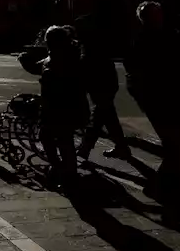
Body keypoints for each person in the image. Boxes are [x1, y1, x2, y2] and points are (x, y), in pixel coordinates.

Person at [124, 1, 180, 197]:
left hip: (162, 99)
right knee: (173, 140)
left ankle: (171, 181)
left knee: (171, 141)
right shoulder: (172, 37)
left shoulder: (144, 40)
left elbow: (132, 72)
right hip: (172, 98)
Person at [20, 25, 90, 188]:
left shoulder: (65, 59)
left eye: (48, 40)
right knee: (54, 139)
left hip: (63, 109)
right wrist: (25, 59)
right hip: (58, 108)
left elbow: (66, 83)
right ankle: (62, 169)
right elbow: (37, 67)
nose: (47, 43)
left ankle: (68, 174)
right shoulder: (59, 56)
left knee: (62, 141)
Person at [75, 15, 130, 160]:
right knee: (108, 118)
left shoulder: (90, 47)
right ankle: (121, 147)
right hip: (106, 86)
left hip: (100, 87)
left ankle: (85, 150)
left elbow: (87, 68)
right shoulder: (96, 43)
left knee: (98, 118)